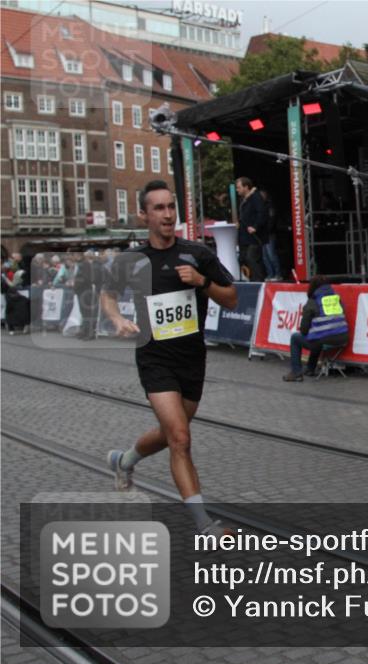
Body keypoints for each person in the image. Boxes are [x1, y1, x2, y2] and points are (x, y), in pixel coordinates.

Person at [101, 180, 238, 537]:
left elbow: (232, 299)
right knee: (180, 437)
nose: (167, 214)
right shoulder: (132, 260)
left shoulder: (198, 255)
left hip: (192, 359)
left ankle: (124, 460)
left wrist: (201, 281)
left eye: (170, 207)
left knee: (168, 433)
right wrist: (117, 319)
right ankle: (204, 524)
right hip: (154, 359)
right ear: (143, 215)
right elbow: (107, 295)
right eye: (158, 208)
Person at [283, 275, 349, 381]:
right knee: (317, 335)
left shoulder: (312, 302)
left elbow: (304, 330)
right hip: (343, 338)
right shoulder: (336, 298)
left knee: (296, 338)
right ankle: (310, 368)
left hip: (324, 340)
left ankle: (296, 372)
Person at [235, 176, 267, 281]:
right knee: (243, 258)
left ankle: (258, 281)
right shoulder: (243, 200)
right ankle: (251, 279)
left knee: (252, 257)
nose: (237, 190)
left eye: (239, 187)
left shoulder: (256, 197)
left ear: (246, 187)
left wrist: (255, 226)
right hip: (244, 236)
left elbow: (261, 213)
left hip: (254, 236)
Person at [73, 250, 103, 340]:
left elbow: (87, 278)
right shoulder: (82, 264)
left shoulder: (85, 264)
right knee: (84, 313)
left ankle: (90, 332)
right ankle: (85, 330)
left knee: (88, 312)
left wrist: (76, 284)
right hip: (82, 290)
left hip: (85, 290)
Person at [259, 189, 282, 281]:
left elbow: (272, 220)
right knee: (265, 256)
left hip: (269, 234)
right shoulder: (260, 206)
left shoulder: (270, 207)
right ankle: (270, 274)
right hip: (263, 234)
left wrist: (266, 230)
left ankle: (278, 274)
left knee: (271, 254)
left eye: (262, 195)